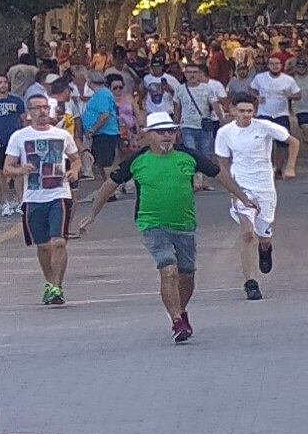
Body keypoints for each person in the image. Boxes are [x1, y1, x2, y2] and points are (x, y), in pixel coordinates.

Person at [92, 114, 245, 345]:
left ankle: (180, 312)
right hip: (152, 224)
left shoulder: (187, 155)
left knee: (187, 275)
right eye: (160, 131)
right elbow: (108, 186)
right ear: (148, 134)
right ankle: (176, 321)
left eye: (170, 131)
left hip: (184, 224)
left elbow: (218, 174)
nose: (166, 135)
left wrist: (242, 196)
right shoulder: (137, 159)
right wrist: (91, 215)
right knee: (168, 270)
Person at [204, 92, 294, 301]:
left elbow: (293, 142)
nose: (246, 115)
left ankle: (266, 247)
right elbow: (223, 166)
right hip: (242, 186)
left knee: (263, 235)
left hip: (264, 186)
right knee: (247, 233)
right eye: (241, 111)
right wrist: (234, 192)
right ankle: (250, 283)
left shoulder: (265, 127)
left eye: (249, 111)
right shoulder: (225, 133)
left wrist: (289, 167)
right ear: (232, 111)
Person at [0, 98, 81, 308]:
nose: (43, 112)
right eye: (38, 108)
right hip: (33, 198)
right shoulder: (19, 137)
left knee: (59, 242)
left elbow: (75, 158)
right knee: (44, 246)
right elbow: (7, 168)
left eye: (45, 107)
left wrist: (74, 171)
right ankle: (49, 282)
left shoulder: (62, 135)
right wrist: (20, 170)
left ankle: (56, 287)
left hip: (59, 195)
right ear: (29, 112)